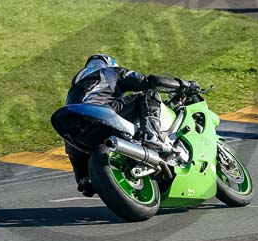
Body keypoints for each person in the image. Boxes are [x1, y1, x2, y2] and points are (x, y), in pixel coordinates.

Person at [64, 54, 198, 197]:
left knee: (73, 140)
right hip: (102, 111)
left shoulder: (73, 93)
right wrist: (183, 84)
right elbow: (149, 82)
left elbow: (73, 150)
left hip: (80, 130)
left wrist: (83, 177)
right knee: (148, 95)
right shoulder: (110, 72)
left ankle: (86, 177)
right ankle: (152, 138)